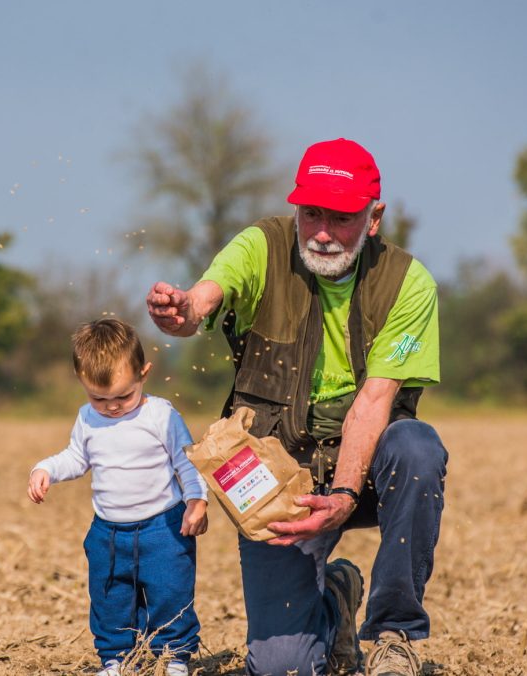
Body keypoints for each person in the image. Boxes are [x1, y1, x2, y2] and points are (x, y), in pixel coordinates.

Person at [145, 138, 448, 676]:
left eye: (342, 218)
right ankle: (335, 600)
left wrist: (344, 494)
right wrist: (185, 310)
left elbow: (374, 401)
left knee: (417, 447)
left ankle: (394, 635)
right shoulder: (262, 245)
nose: (324, 232)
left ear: (374, 218)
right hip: (276, 474)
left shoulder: (408, 283)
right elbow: (207, 296)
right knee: (281, 667)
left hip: (368, 469)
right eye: (312, 214)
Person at [28, 317, 210, 676]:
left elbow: (187, 462)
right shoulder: (87, 419)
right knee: (110, 598)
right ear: (82, 383)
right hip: (108, 533)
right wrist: (45, 468)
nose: (112, 406)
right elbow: (77, 458)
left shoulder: (161, 415)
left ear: (144, 373)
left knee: (170, 593)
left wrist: (197, 500)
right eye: (99, 398)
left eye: (124, 396)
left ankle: (174, 657)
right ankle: (116, 659)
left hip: (164, 529)